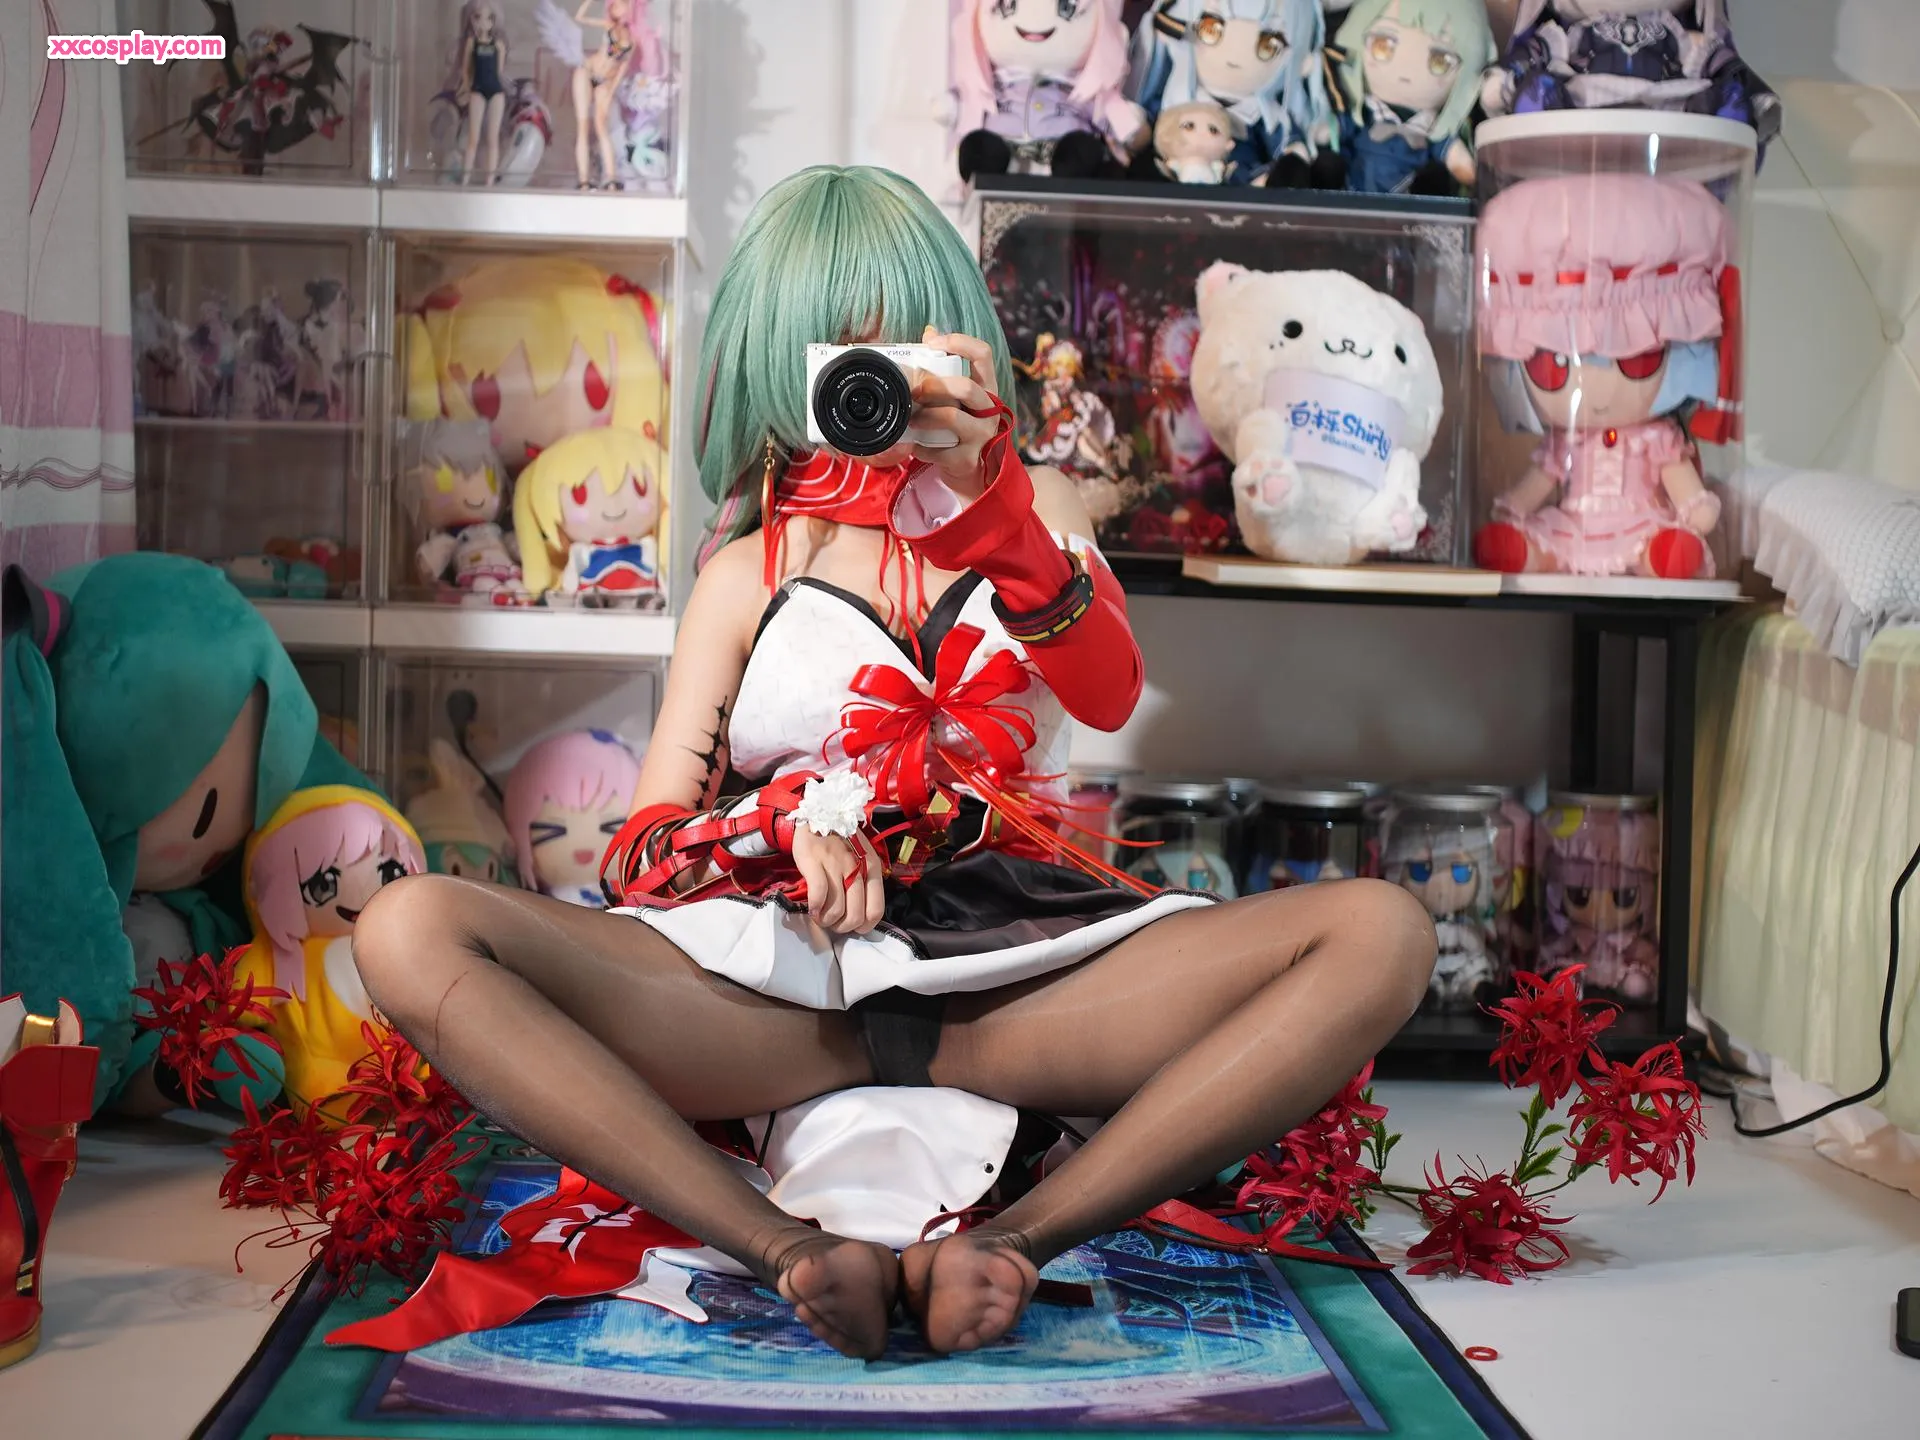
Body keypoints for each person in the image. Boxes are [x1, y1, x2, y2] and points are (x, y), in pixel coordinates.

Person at [351, 165, 1435, 1363]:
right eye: (845, 354)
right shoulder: (746, 573)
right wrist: (778, 830)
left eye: (908, 348)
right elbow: (643, 856)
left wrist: (998, 515)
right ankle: (781, 1247)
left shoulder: (1042, 511)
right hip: (785, 993)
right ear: (782, 365)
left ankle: (1019, 1239)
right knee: (410, 928)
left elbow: (1110, 692)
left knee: (1382, 933)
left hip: (1016, 989)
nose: (879, 385)